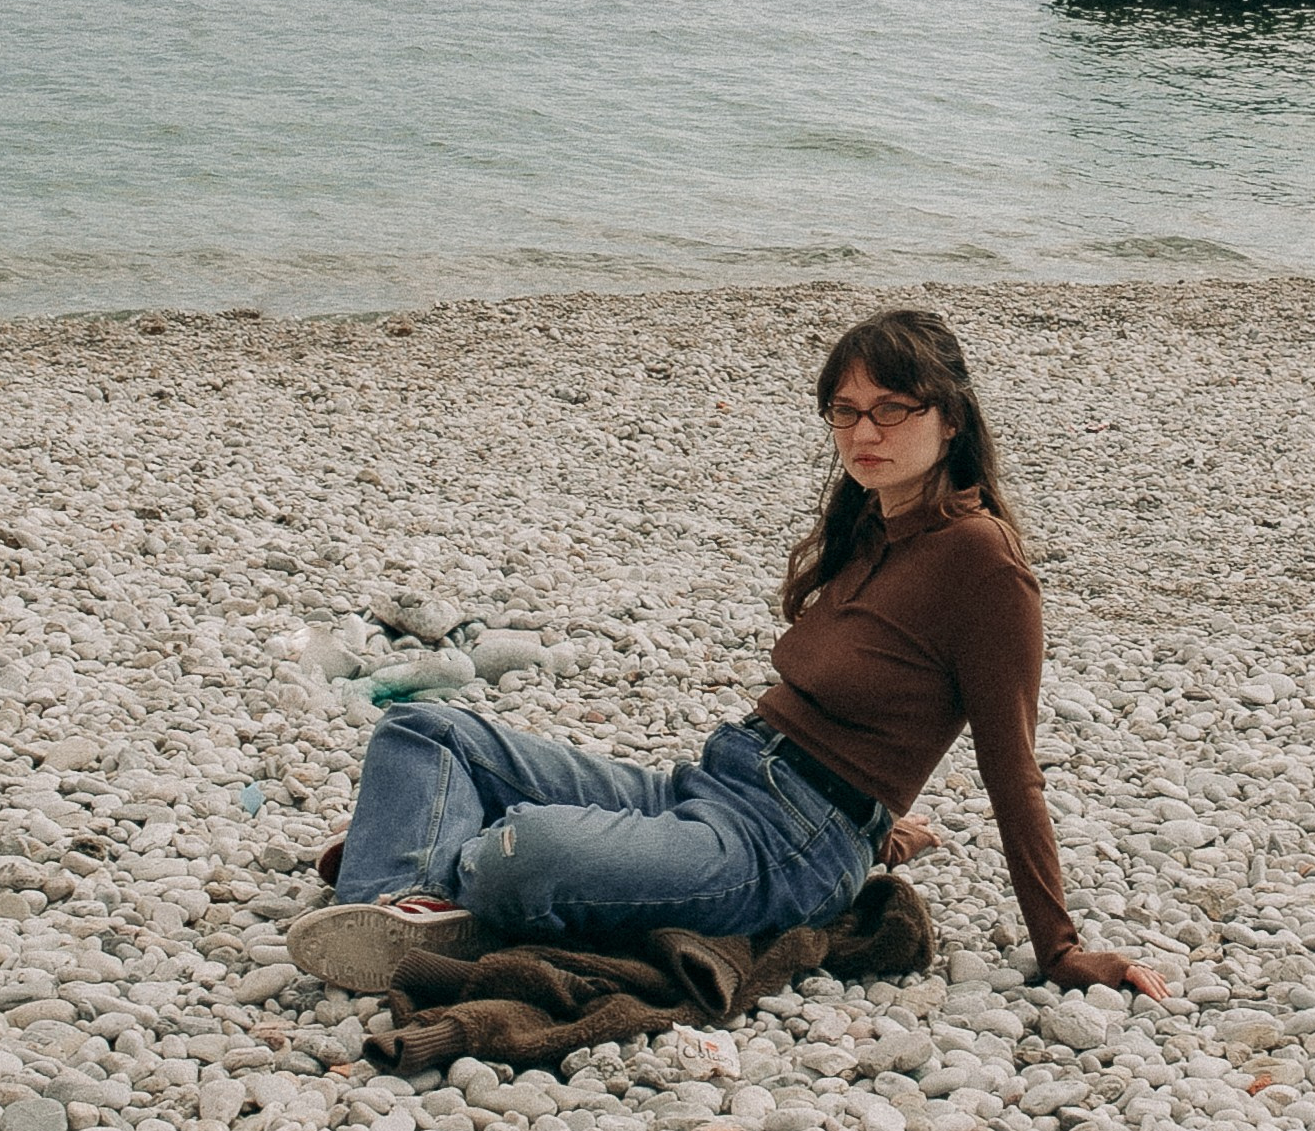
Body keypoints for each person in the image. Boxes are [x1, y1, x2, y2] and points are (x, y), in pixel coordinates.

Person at [289, 307, 1168, 1001]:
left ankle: (413, 871)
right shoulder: (873, 523)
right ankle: (410, 905)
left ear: (951, 417)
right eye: (846, 410)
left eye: (893, 409)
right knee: (425, 732)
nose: (866, 431)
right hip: (716, 783)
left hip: (785, 847)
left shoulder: (984, 564)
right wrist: (882, 820)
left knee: (525, 849)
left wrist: (1061, 949)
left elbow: (1013, 771)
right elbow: (882, 702)